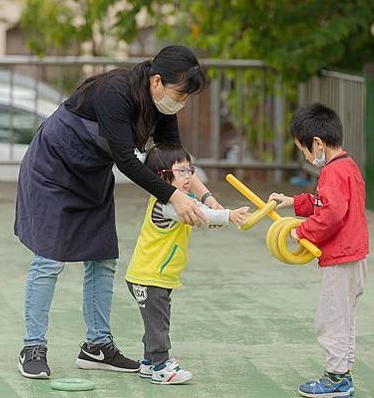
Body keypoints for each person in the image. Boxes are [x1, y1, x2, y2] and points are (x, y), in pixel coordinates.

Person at [14, 45, 223, 379]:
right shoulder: (116, 92)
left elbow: (173, 160)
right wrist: (175, 197)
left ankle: (97, 346)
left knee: (101, 256)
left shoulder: (162, 105)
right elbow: (126, 160)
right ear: (157, 80)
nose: (181, 102)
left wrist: (205, 197)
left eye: (187, 97)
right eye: (180, 94)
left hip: (91, 173)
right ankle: (33, 346)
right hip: (53, 168)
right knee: (49, 259)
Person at [124, 143, 249, 385]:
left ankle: (149, 361)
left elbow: (199, 209)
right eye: (181, 171)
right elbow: (202, 214)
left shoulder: (181, 200)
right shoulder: (166, 204)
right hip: (148, 276)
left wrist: (213, 208)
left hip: (157, 276)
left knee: (155, 319)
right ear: (162, 176)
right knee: (158, 322)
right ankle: (161, 366)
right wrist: (229, 216)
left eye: (189, 170)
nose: (189, 176)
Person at [269, 103, 369, 397]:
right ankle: (343, 372)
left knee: (331, 318)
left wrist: (301, 232)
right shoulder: (347, 167)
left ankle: (336, 379)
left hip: (340, 258)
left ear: (318, 144)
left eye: (304, 151)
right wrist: (293, 202)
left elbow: (331, 214)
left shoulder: (332, 173)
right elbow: (328, 204)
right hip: (356, 256)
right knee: (345, 317)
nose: (306, 156)